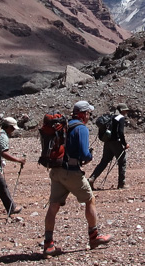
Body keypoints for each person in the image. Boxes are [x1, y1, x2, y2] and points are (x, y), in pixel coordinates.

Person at [42, 100, 112, 257]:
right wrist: (89, 156)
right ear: (84, 114)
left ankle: (48, 244)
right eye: (88, 113)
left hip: (56, 170)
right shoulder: (81, 128)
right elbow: (83, 154)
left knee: (53, 207)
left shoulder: (64, 125)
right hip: (71, 172)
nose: (89, 116)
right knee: (89, 199)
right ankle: (94, 237)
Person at [90, 104, 130, 190]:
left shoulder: (111, 117)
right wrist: (125, 144)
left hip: (107, 143)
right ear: (122, 110)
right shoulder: (120, 118)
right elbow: (120, 132)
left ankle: (92, 178)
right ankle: (121, 184)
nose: (126, 112)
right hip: (116, 143)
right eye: (125, 110)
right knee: (122, 161)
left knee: (104, 162)